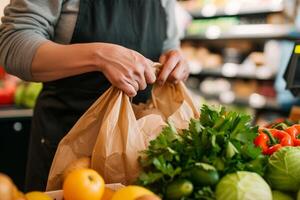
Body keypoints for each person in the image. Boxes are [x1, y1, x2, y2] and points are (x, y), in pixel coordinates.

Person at [0, 0, 189, 191]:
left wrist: (175, 59)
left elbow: (169, 45)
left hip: (140, 153)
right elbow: (13, 43)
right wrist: (98, 56)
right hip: (69, 151)